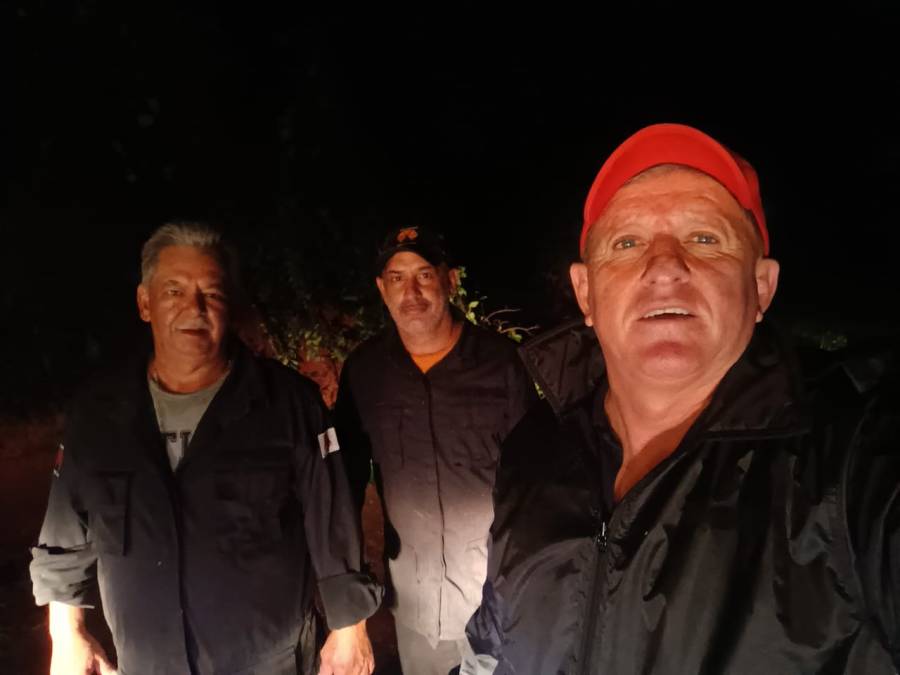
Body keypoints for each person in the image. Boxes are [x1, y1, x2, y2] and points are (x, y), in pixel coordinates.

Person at [463, 123, 900, 673]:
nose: (665, 266)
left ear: (761, 287)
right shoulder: (533, 451)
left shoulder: (851, 460)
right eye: (627, 243)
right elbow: (494, 642)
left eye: (704, 238)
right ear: (586, 292)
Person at [31, 222, 382, 675]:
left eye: (211, 294)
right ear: (145, 303)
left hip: (268, 661)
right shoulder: (98, 414)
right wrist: (67, 633)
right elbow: (65, 531)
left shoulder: (288, 403)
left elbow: (332, 520)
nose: (193, 308)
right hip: (149, 662)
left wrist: (350, 628)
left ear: (228, 306)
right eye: (173, 291)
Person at [334, 226, 536, 674]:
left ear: (450, 280)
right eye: (397, 277)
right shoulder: (365, 372)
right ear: (381, 288)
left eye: (424, 275)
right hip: (417, 611)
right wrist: (347, 597)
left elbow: (534, 483)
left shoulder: (501, 364)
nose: (411, 292)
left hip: (499, 606)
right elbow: (343, 484)